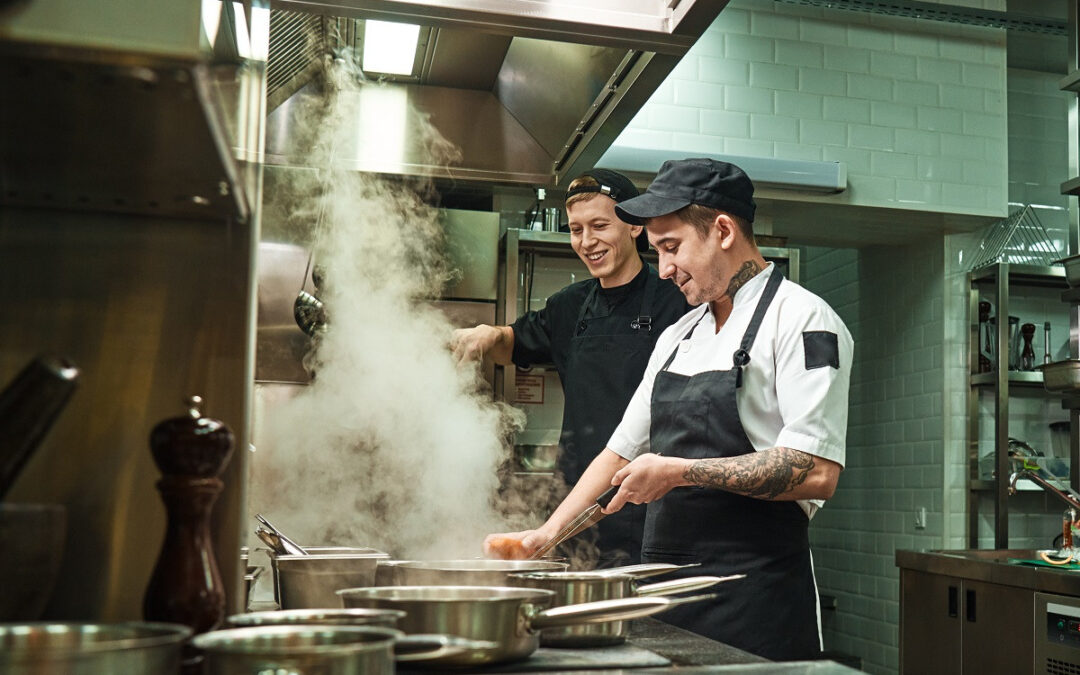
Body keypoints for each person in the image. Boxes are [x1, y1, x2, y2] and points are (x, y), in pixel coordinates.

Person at [483, 158, 852, 661]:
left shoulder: (802, 320)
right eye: (656, 251)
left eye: (672, 247)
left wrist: (679, 472)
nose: (663, 269)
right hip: (670, 596)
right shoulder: (679, 335)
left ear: (723, 231)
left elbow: (816, 472)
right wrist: (544, 537)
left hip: (757, 597)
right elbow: (619, 452)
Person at [452, 169, 692, 566]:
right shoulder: (569, 306)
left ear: (635, 226)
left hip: (651, 504)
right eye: (576, 230)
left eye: (599, 226)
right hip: (576, 502)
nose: (586, 241)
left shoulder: (678, 301)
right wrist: (489, 334)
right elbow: (513, 343)